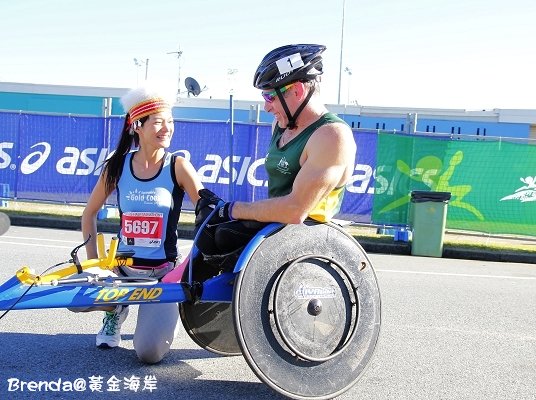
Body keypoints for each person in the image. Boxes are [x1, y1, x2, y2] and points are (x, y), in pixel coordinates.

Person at [195, 44, 356, 264]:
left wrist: (232, 209)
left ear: (297, 91)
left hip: (307, 234)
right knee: (209, 230)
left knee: (223, 235)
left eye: (270, 96)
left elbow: (295, 209)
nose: (266, 107)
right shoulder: (280, 126)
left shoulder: (331, 135)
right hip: (280, 229)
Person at [79, 85, 202, 363]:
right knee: (80, 299)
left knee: (148, 353)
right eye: (158, 122)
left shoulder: (179, 166)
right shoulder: (117, 166)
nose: (167, 128)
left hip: (162, 276)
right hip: (122, 272)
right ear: (137, 125)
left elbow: (208, 215)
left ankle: (164, 315)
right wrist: (96, 265)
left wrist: (188, 266)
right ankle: (115, 311)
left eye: (170, 122)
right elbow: (88, 214)